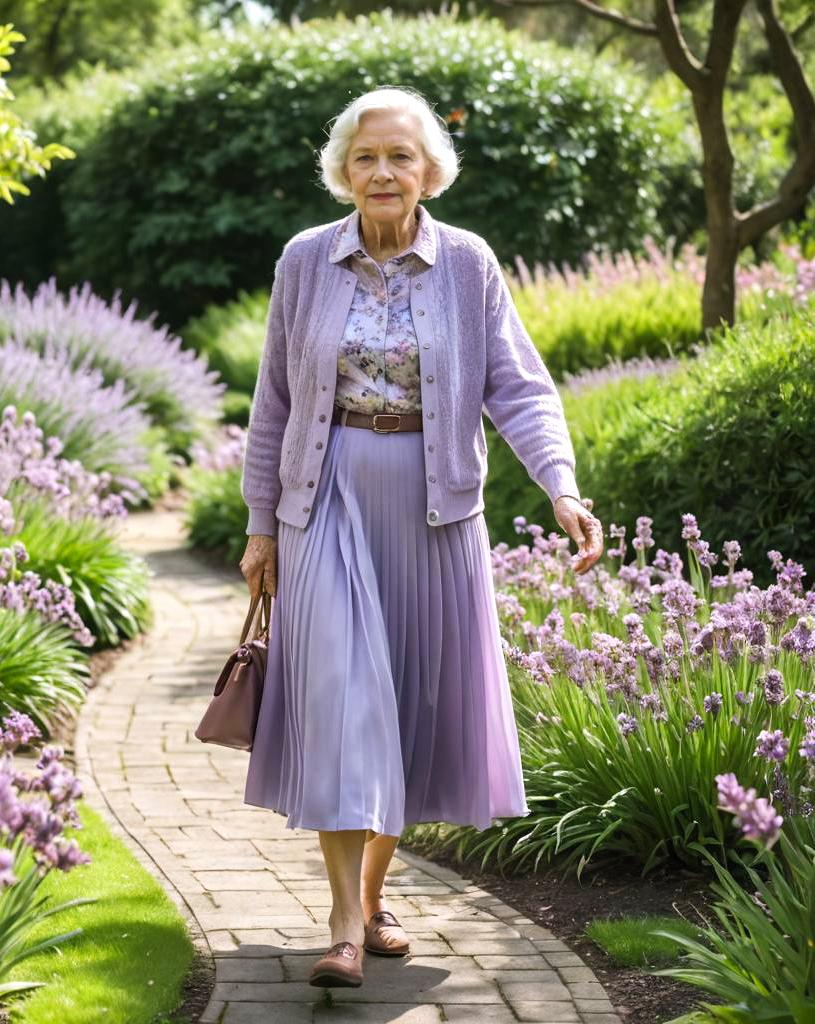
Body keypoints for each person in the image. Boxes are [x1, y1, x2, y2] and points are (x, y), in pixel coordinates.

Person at [237, 85, 604, 989]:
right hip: (324, 498)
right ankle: (342, 927)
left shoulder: (468, 265)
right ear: (343, 173)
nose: (383, 172)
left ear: (428, 168)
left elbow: (519, 387)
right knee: (340, 695)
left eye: (400, 156)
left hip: (434, 508)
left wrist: (560, 487)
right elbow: (274, 404)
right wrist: (259, 524)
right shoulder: (304, 262)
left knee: (403, 706)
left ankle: (373, 895)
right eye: (366, 158)